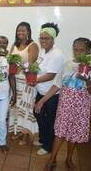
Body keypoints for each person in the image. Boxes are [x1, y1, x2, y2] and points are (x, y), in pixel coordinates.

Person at [38, 38, 91, 170]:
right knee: (60, 133)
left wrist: (87, 81)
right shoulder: (67, 65)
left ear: (88, 51)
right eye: (75, 50)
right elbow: (57, 85)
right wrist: (42, 100)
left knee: (74, 133)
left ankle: (69, 158)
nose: (78, 53)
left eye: (82, 50)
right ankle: (52, 158)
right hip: (65, 106)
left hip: (81, 107)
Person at [32, 23, 66, 156]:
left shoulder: (57, 55)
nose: (43, 41)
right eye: (41, 38)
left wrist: (34, 80)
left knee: (49, 120)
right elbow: (38, 67)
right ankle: (42, 139)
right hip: (41, 91)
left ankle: (47, 146)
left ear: (53, 39)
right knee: (38, 114)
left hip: (52, 95)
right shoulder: (43, 51)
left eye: (46, 38)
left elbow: (51, 75)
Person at [8, 22, 39, 145]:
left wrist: (18, 67)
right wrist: (12, 67)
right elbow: (10, 60)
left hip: (26, 82)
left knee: (26, 108)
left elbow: (30, 65)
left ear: (28, 32)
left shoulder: (33, 45)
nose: (20, 33)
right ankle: (19, 131)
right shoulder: (14, 45)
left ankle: (26, 134)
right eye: (19, 30)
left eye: (23, 30)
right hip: (14, 82)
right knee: (16, 107)